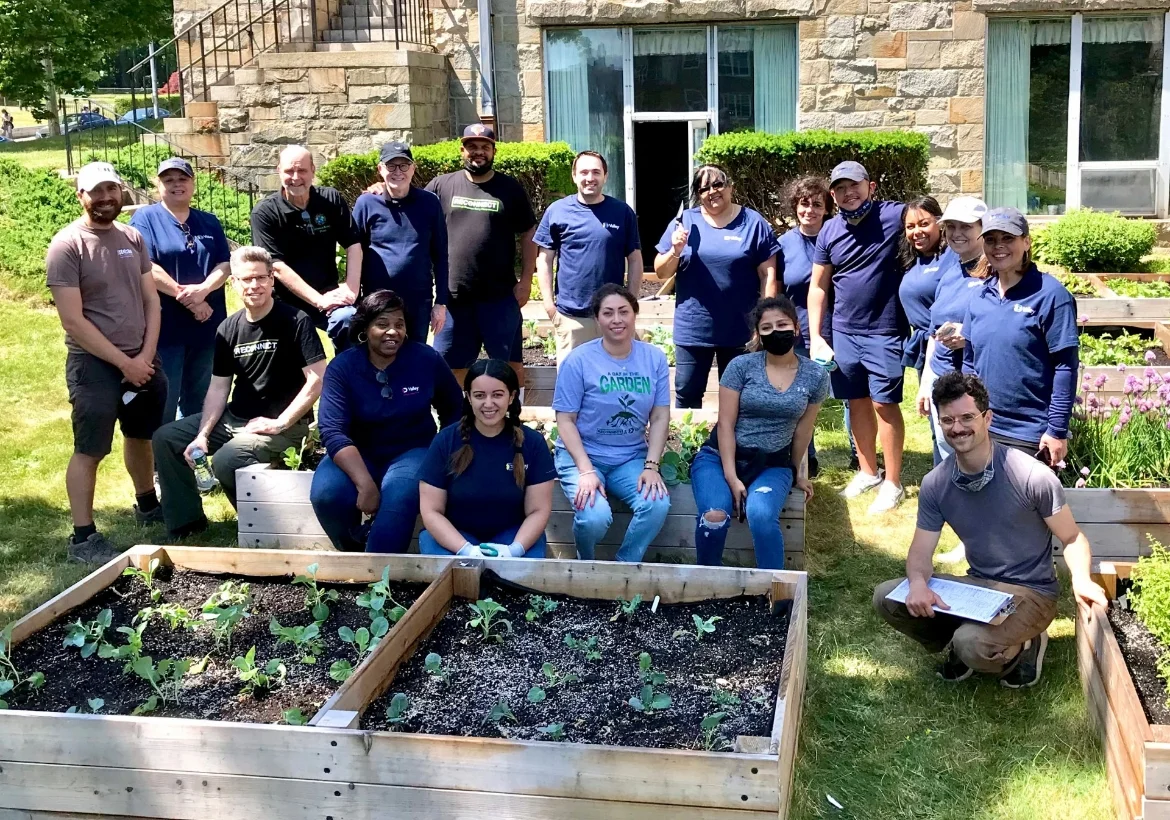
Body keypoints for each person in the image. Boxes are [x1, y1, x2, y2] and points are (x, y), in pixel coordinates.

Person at [872, 371, 1107, 688]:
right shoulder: (936, 483)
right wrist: (916, 582)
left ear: (987, 418)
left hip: (1032, 593)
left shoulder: (1030, 476)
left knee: (973, 644)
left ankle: (1025, 644)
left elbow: (1072, 537)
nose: (958, 428)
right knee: (887, 597)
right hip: (978, 586)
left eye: (967, 417)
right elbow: (920, 551)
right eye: (948, 420)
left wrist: (1081, 579)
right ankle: (960, 642)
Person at [153, 247, 326, 537]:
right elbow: (219, 387)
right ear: (234, 283)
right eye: (246, 279)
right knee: (166, 438)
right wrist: (202, 436)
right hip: (236, 418)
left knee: (226, 460)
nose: (254, 285)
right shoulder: (227, 328)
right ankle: (188, 524)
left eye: (261, 278)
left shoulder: (296, 321)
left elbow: (317, 379)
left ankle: (262, 528)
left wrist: (280, 422)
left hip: (286, 425)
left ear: (273, 280)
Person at [47, 161, 168, 563]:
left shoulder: (132, 238)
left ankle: (148, 504)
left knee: (141, 436)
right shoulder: (67, 245)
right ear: (80, 196)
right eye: (95, 192)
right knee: (90, 448)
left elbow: (151, 299)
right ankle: (83, 537)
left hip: (142, 359)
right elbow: (73, 320)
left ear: (121, 192)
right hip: (94, 364)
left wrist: (145, 356)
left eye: (110, 190)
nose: (104, 198)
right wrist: (124, 363)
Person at [309, 290, 463, 553]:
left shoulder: (426, 359)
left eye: (399, 325)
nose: (393, 331)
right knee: (327, 494)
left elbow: (455, 410)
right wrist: (365, 484)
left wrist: (443, 453)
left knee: (400, 496)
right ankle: (352, 554)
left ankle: (379, 577)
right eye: (382, 324)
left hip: (412, 451)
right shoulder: (343, 368)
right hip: (357, 452)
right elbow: (332, 430)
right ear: (365, 328)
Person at [690, 297, 827, 569]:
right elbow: (726, 424)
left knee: (761, 514)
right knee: (715, 514)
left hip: (772, 462)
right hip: (720, 457)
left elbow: (804, 428)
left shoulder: (816, 375)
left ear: (796, 328)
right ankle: (705, 584)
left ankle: (775, 594)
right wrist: (731, 477)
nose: (775, 331)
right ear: (759, 334)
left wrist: (797, 473)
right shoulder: (741, 367)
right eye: (767, 328)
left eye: (782, 324)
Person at [808, 161, 907, 514]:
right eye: (840, 188)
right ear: (833, 195)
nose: (848, 193)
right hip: (845, 332)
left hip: (885, 329)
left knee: (884, 403)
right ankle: (869, 472)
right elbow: (818, 286)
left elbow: (931, 224)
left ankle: (894, 483)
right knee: (856, 401)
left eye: (855, 186)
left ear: (871, 186)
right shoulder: (829, 231)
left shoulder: (895, 216)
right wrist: (817, 336)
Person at [553, 284, 671, 561]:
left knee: (656, 504)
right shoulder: (578, 361)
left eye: (623, 312)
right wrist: (585, 470)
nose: (616, 319)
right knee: (594, 518)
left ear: (634, 314)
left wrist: (651, 465)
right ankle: (586, 564)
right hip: (582, 455)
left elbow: (659, 415)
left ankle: (624, 567)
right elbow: (565, 419)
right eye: (608, 313)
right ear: (597, 319)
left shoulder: (654, 358)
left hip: (630, 457)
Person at [653, 165, 780, 409]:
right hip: (694, 329)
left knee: (741, 399)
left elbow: (768, 275)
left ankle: (735, 448)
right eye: (704, 188)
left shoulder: (753, 223)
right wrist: (675, 251)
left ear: (730, 186)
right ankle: (691, 448)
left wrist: (764, 322)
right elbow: (661, 272)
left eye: (718, 184)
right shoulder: (684, 221)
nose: (712, 191)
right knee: (687, 394)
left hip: (741, 331)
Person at [962, 208, 1079, 465]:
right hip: (984, 426)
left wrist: (1057, 430)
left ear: (1026, 242)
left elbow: (1066, 366)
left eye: (1008, 238)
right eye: (991, 239)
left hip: (1029, 435)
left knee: (1027, 505)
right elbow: (970, 362)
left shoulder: (1051, 295)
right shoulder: (980, 296)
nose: (998, 246)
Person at [427, 124, 537, 385]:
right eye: (472, 147)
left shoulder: (510, 188)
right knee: (446, 367)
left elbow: (528, 233)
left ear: (494, 151)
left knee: (509, 367)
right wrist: (380, 188)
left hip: (499, 298)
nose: (479, 152)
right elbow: (412, 205)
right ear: (462, 150)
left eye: (485, 147)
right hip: (454, 299)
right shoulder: (442, 185)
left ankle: (513, 418)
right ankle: (454, 421)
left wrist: (525, 281)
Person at [418, 359, 556, 557]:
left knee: (517, 581)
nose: (488, 403)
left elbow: (538, 510)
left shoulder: (532, 443)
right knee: (455, 578)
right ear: (468, 397)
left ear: (511, 397)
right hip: (454, 537)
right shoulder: (446, 441)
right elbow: (431, 511)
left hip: (514, 536)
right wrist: (466, 550)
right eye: (479, 395)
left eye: (498, 395)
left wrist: (514, 550)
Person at [130, 157, 231, 421]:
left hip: (208, 324)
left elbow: (225, 263)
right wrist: (190, 298)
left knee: (201, 397)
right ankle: (160, 460)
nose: (177, 185)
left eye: (182, 179)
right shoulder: (145, 218)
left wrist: (204, 290)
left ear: (192, 183)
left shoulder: (208, 221)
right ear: (159, 185)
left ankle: (194, 453)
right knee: (164, 395)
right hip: (166, 327)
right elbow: (146, 265)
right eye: (169, 180)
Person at [250, 145, 362, 351]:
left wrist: (351, 290)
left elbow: (353, 244)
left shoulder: (331, 199)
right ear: (278, 171)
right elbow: (276, 266)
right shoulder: (265, 213)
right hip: (285, 302)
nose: (295, 177)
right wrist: (319, 301)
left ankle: (345, 379)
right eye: (288, 171)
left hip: (329, 291)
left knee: (349, 320)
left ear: (313, 171)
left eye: (302, 170)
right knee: (293, 361)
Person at [535, 150, 642, 362]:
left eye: (596, 172)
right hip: (571, 317)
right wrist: (550, 307)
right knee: (572, 386)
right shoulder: (557, 211)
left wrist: (631, 304)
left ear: (605, 176)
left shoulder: (622, 212)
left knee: (615, 383)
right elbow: (544, 259)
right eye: (584, 172)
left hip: (613, 317)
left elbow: (635, 259)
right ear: (574, 176)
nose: (590, 178)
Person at [351, 141, 449, 346]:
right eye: (391, 166)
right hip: (376, 301)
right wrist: (355, 298)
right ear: (380, 169)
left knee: (413, 360)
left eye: (404, 165)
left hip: (417, 301)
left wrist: (440, 302)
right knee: (377, 357)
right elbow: (354, 253)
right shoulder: (366, 204)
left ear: (413, 168)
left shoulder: (429, 203)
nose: (398, 172)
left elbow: (440, 256)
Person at [777, 175, 843, 476]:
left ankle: (860, 456)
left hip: (841, 329)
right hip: (799, 335)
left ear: (827, 207)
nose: (810, 210)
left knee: (850, 396)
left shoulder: (839, 238)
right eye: (804, 204)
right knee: (803, 399)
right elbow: (776, 289)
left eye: (818, 204)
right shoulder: (782, 245)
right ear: (795, 207)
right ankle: (808, 457)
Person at [917, 196, 988, 463]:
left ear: (983, 228)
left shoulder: (994, 272)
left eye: (966, 227)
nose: (957, 234)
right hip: (941, 374)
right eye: (951, 227)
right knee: (947, 450)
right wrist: (926, 382)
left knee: (970, 452)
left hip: (971, 378)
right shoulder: (950, 273)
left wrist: (968, 335)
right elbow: (934, 333)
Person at [897, 196, 958, 464]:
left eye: (924, 223)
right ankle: (943, 481)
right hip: (925, 347)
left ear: (939, 223)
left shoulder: (952, 258)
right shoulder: (913, 261)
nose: (916, 232)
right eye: (910, 227)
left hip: (949, 348)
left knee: (953, 423)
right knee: (936, 422)